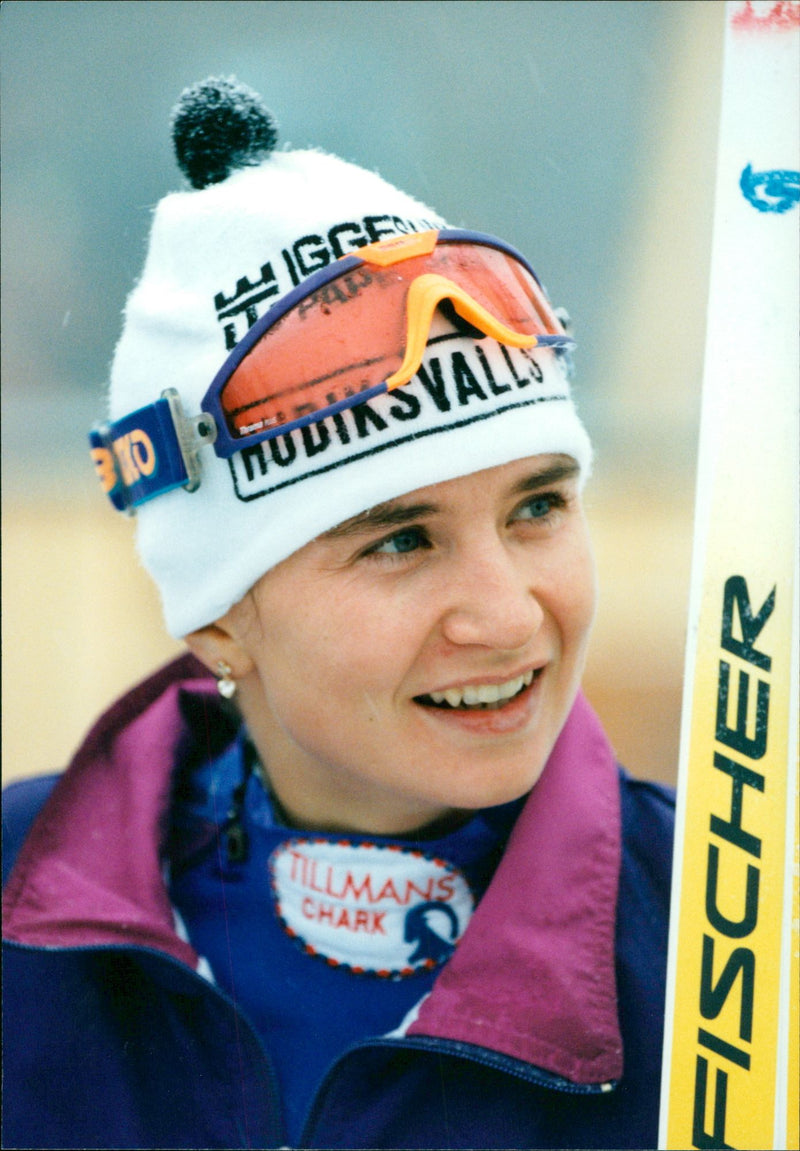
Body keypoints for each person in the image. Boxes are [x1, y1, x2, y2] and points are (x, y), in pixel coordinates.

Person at [2, 77, 674, 1151]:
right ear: (218, 617)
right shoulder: (20, 908)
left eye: (537, 505)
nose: (506, 616)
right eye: (401, 540)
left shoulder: (731, 940)